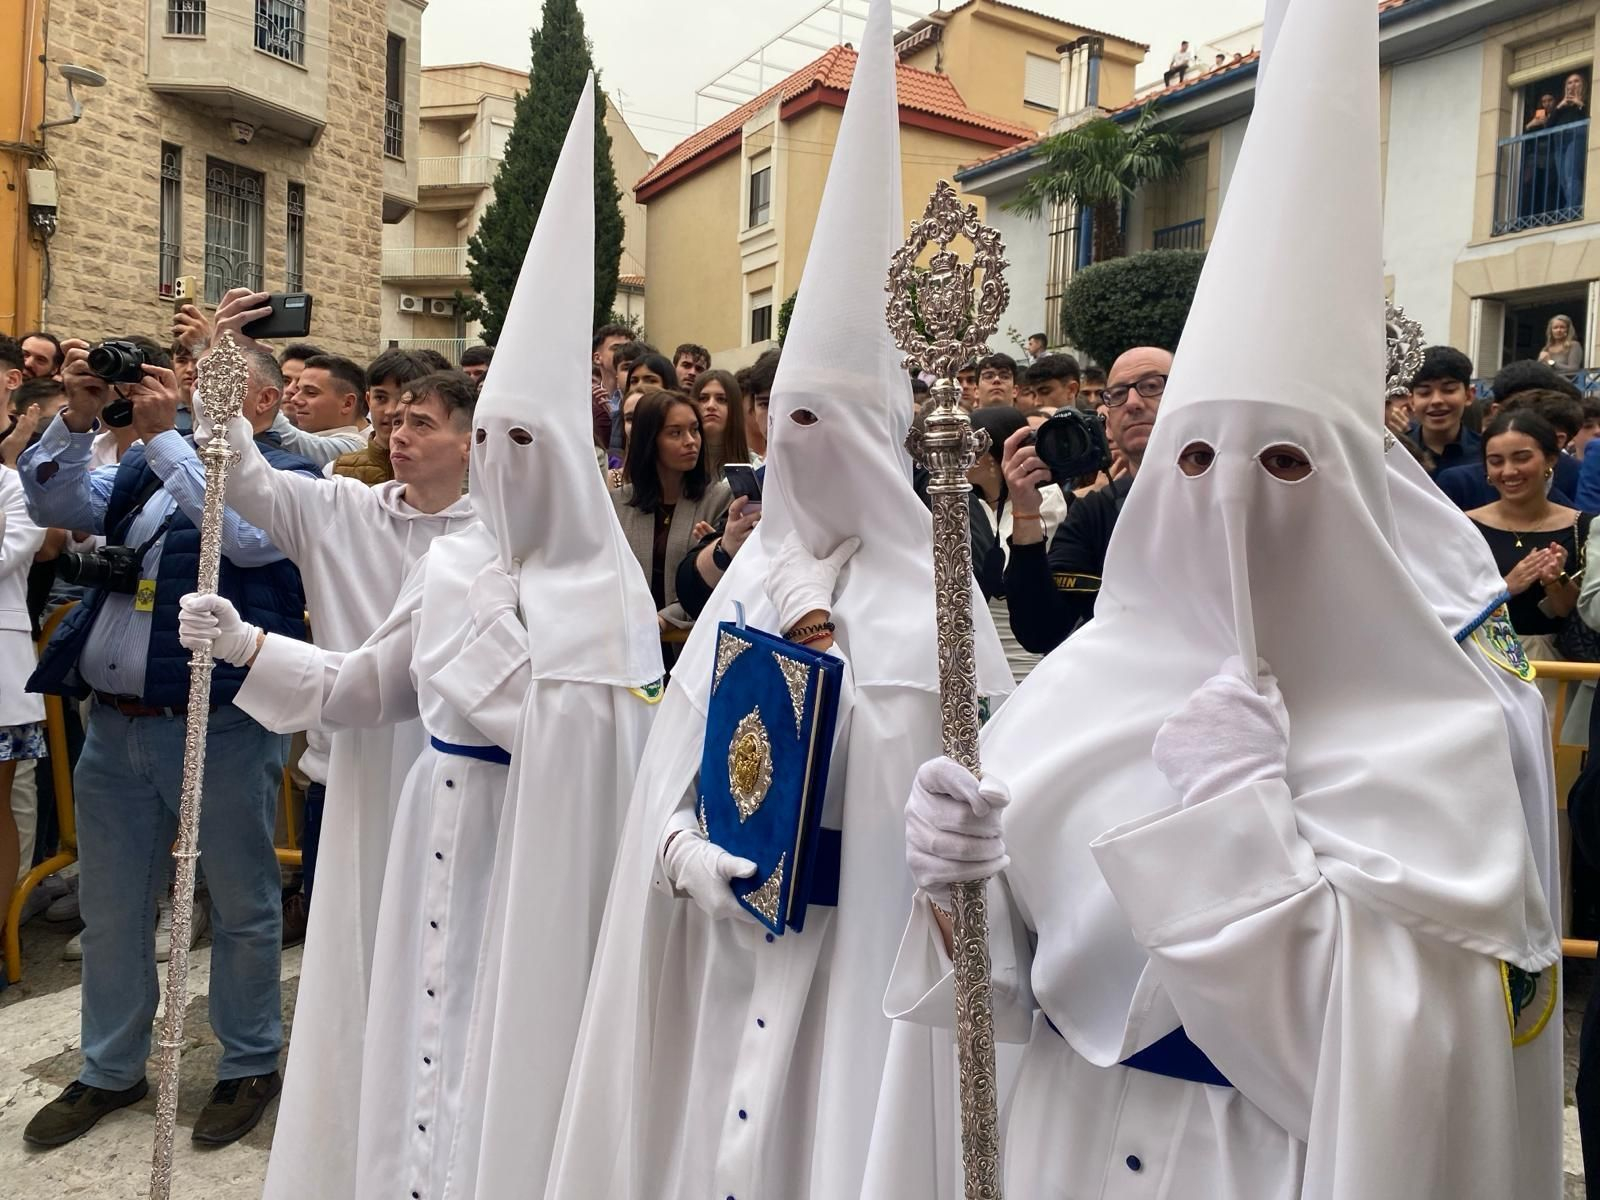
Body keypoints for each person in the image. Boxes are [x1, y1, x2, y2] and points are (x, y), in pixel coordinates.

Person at [884, 0, 1557, 1192]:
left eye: (1284, 464)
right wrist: (957, 884)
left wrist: (1239, 819)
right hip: (1070, 1149)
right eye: (1197, 459)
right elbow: (1013, 992)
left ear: (1353, 498)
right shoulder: (1079, 692)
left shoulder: (1432, 731)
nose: (1234, 500)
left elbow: (1385, 1075)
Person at [546, 11, 1012, 1193]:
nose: (799, 446)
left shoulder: (939, 603)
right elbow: (674, 777)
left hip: (861, 982)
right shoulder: (745, 584)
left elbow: (978, 833)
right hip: (727, 960)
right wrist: (683, 858)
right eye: (783, 418)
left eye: (828, 421)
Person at [19, 338, 313, 1150]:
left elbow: (245, 537)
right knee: (114, 908)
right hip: (116, 722)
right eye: (187, 379)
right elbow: (58, 504)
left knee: (242, 902)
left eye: (212, 383)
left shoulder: (292, 475)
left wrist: (161, 439)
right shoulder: (148, 465)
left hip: (219, 722)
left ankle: (249, 1061)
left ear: (263, 402)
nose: (187, 392)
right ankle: (110, 1067)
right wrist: (77, 419)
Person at [1001, 346, 1172, 653]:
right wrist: (1025, 511)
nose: (1133, 403)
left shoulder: (1235, 492)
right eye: (1117, 394)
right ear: (1108, 418)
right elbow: (1039, 631)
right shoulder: (1093, 512)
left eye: (1151, 386)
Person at [1466, 410, 1594, 670]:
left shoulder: (1584, 526)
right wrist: (1505, 588)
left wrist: (1555, 580)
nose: (1509, 471)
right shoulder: (1465, 525)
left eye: (1522, 458)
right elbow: (1449, 604)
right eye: (1496, 461)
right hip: (1482, 662)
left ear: (1550, 459)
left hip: (1555, 667)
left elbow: (1571, 612)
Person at [610, 389, 731, 660]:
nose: (691, 441)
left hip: (692, 652)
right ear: (650, 441)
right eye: (675, 433)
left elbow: (717, 588)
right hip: (629, 647)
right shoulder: (617, 503)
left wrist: (664, 619)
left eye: (694, 430)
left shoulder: (720, 499)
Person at [968, 405, 1067, 682]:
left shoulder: (1047, 500)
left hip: (1026, 655)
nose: (960, 456)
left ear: (992, 455)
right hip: (977, 656)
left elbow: (1017, 570)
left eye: (970, 447)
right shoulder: (971, 506)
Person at [330, 348, 431, 484]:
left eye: (403, 399)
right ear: (368, 400)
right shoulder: (337, 472)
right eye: (380, 398)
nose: (390, 411)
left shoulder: (442, 471)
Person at [1405, 344, 1478, 475]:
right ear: (1412, 401)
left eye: (1449, 390)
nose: (1436, 401)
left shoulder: (1487, 454)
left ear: (1469, 395)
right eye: (1425, 392)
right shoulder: (1397, 452)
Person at [693, 367, 751, 474]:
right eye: (703, 398)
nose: (711, 406)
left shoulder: (755, 468)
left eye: (721, 399)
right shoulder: (677, 463)